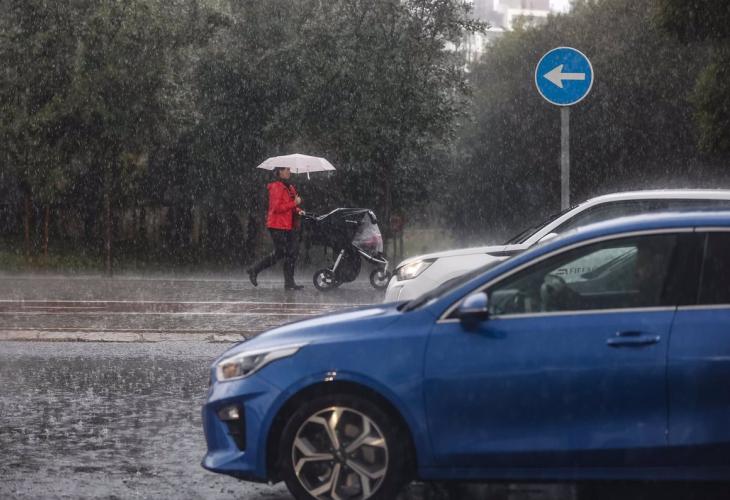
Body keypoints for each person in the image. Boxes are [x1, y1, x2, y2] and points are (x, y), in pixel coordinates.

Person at [247, 167, 305, 290]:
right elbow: (276, 208)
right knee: (281, 252)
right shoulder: (276, 187)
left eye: (289, 169)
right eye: (286, 169)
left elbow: (292, 207)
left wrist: (298, 210)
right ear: (279, 172)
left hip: (288, 225)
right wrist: (295, 203)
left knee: (292, 253)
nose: (289, 172)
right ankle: (254, 269)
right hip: (277, 225)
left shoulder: (290, 187)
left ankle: (289, 283)